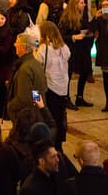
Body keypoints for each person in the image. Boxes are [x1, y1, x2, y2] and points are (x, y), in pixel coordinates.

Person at [34, 21, 71, 149]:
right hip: (63, 87)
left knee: (48, 117)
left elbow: (37, 62)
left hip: (49, 88)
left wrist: (37, 45)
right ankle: (59, 143)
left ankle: (50, 143)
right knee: (60, 116)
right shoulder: (64, 47)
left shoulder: (44, 48)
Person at [59, 0, 93, 109]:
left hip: (83, 48)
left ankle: (80, 96)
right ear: (75, 4)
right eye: (81, 3)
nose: (84, 5)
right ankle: (66, 98)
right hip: (72, 49)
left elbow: (86, 28)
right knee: (68, 74)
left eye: (84, 2)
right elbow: (62, 36)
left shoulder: (83, 16)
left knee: (85, 71)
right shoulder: (67, 18)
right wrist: (74, 37)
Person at [8, 31, 48, 123]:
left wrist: (10, 106)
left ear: (23, 47)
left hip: (26, 117)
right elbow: (36, 90)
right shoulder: (35, 64)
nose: (14, 45)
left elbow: (23, 98)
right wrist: (37, 104)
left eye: (17, 43)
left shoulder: (25, 69)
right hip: (36, 114)